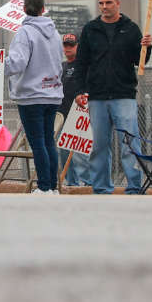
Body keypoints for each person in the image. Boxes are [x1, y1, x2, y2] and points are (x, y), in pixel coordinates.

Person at [75, 0, 152, 195]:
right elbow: (81, 62)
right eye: (101, 3)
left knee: (130, 143)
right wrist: (80, 90)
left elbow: (140, 61)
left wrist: (146, 47)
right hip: (97, 96)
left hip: (124, 95)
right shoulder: (90, 29)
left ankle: (134, 186)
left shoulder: (131, 29)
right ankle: (101, 187)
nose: (104, 7)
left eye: (108, 3)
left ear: (118, 3)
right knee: (100, 145)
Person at [5, 0, 65, 194]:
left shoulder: (25, 33)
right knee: (49, 141)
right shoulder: (55, 34)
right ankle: (53, 187)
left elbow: (17, 63)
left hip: (31, 96)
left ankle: (44, 187)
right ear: (42, 9)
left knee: (37, 142)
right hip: (53, 93)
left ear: (24, 9)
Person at [57, 33, 88, 187]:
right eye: (65, 45)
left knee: (81, 153)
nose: (68, 48)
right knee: (63, 150)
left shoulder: (83, 65)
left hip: (79, 114)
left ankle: (89, 183)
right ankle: (71, 182)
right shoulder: (61, 66)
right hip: (62, 115)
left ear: (77, 46)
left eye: (71, 45)